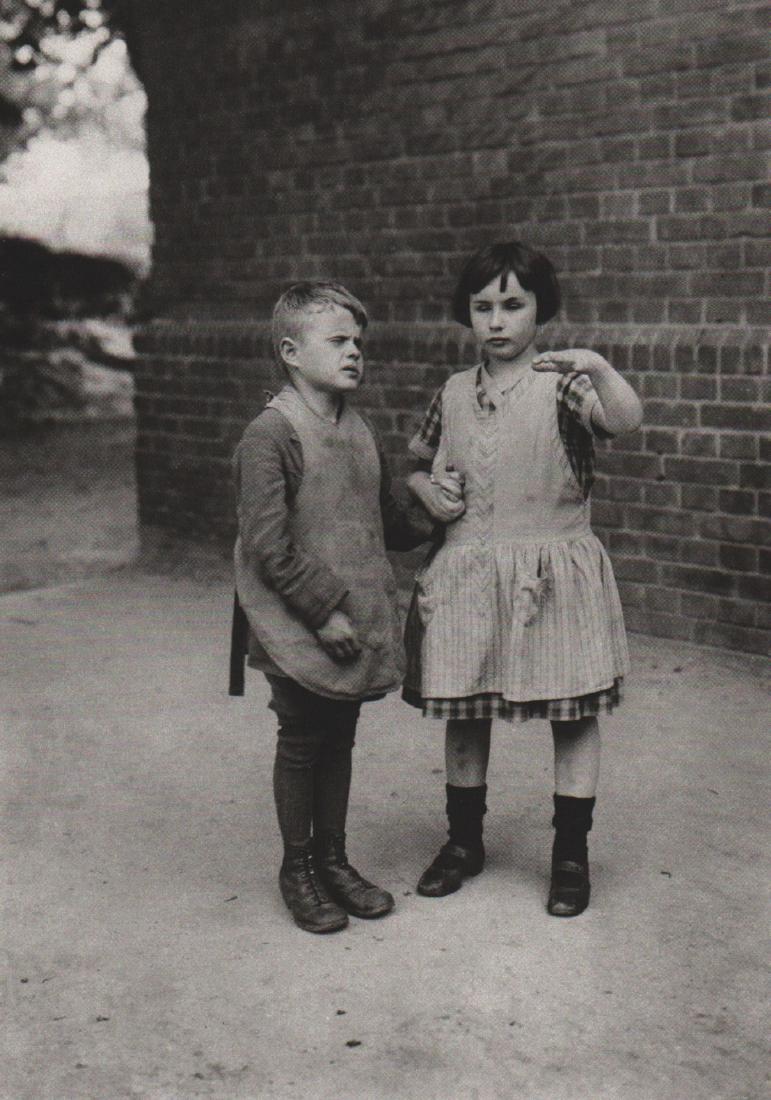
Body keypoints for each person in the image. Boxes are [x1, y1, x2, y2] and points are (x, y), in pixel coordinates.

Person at [404, 241, 643, 917]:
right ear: (467, 314)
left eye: (512, 304)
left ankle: (569, 856)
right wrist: (425, 490)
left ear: (540, 309)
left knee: (571, 713)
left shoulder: (563, 381)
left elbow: (623, 421)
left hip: (551, 570)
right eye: (482, 307)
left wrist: (595, 365)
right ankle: (462, 844)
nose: (496, 320)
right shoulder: (451, 391)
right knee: (463, 707)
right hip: (468, 572)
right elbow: (417, 463)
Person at [232, 280, 431, 934]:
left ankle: (333, 860)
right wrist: (321, 611)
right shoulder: (272, 433)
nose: (354, 353)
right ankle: (298, 868)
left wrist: (433, 510)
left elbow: (380, 525)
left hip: (352, 616)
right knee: (301, 737)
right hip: (297, 619)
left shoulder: (357, 428)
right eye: (338, 340)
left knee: (339, 733)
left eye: (358, 342)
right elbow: (266, 543)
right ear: (291, 350)